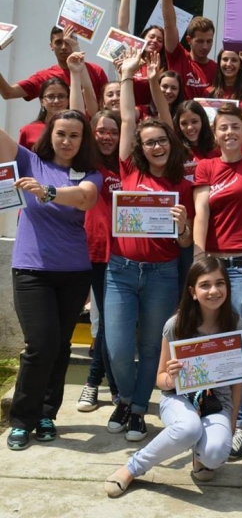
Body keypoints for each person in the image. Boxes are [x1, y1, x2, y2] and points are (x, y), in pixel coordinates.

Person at [104, 49, 194, 442]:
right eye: (149, 142)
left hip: (162, 273)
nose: (156, 147)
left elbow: (188, 241)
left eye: (162, 141)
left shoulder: (184, 186)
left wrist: (183, 227)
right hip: (120, 270)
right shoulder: (129, 169)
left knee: (150, 345)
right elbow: (126, 118)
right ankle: (124, 397)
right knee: (119, 346)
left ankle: (138, 409)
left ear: (170, 144)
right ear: (140, 147)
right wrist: (127, 76)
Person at [104, 257, 242, 497]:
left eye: (220, 283)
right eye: (205, 285)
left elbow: (239, 379)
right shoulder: (175, 325)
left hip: (217, 402)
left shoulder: (236, 324)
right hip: (177, 398)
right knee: (188, 428)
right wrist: (171, 377)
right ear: (192, 291)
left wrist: (232, 422)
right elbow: (161, 380)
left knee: (216, 454)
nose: (214, 291)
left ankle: (199, 457)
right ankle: (132, 467)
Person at [2, 110, 101, 451]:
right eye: (61, 133)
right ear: (50, 134)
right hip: (31, 270)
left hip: (73, 272)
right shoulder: (28, 160)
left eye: (75, 135)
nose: (67, 140)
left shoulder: (91, 173)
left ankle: (46, 415)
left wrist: (47, 192)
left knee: (59, 346)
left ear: (82, 140)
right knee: (40, 345)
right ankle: (21, 419)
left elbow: (84, 197)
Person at [193, 70, 242, 458]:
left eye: (235, 126)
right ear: (216, 131)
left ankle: (241, 423)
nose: (228, 133)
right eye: (222, 127)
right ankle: (213, 413)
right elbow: (201, 211)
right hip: (212, 266)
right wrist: (198, 255)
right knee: (208, 340)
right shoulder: (206, 166)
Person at [77, 110, 122, 412]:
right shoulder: (86, 164)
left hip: (118, 255)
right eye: (101, 131)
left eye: (113, 131)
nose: (107, 137)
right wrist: (78, 73)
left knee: (109, 324)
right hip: (86, 252)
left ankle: (96, 382)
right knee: (104, 324)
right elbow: (79, 114)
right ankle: (109, 385)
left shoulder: (128, 164)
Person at [0, 25, 107, 102]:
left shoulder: (96, 71)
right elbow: (8, 93)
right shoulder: (43, 77)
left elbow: (107, 104)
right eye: (58, 42)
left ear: (76, 43)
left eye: (68, 41)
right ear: (51, 46)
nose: (64, 47)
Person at [161, 0, 216, 99]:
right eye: (200, 41)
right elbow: (169, 24)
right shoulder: (178, 56)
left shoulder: (217, 69)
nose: (205, 46)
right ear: (189, 40)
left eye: (209, 41)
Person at [117, 0, 167, 106]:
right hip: (131, 111)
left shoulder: (164, 66)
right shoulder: (132, 59)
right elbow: (122, 26)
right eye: (151, 37)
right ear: (143, 38)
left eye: (160, 40)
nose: (155, 41)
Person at [173, 100, 219, 182]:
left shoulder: (217, 149)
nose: (190, 127)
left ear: (203, 121)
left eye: (194, 122)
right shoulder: (175, 151)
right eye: (184, 123)